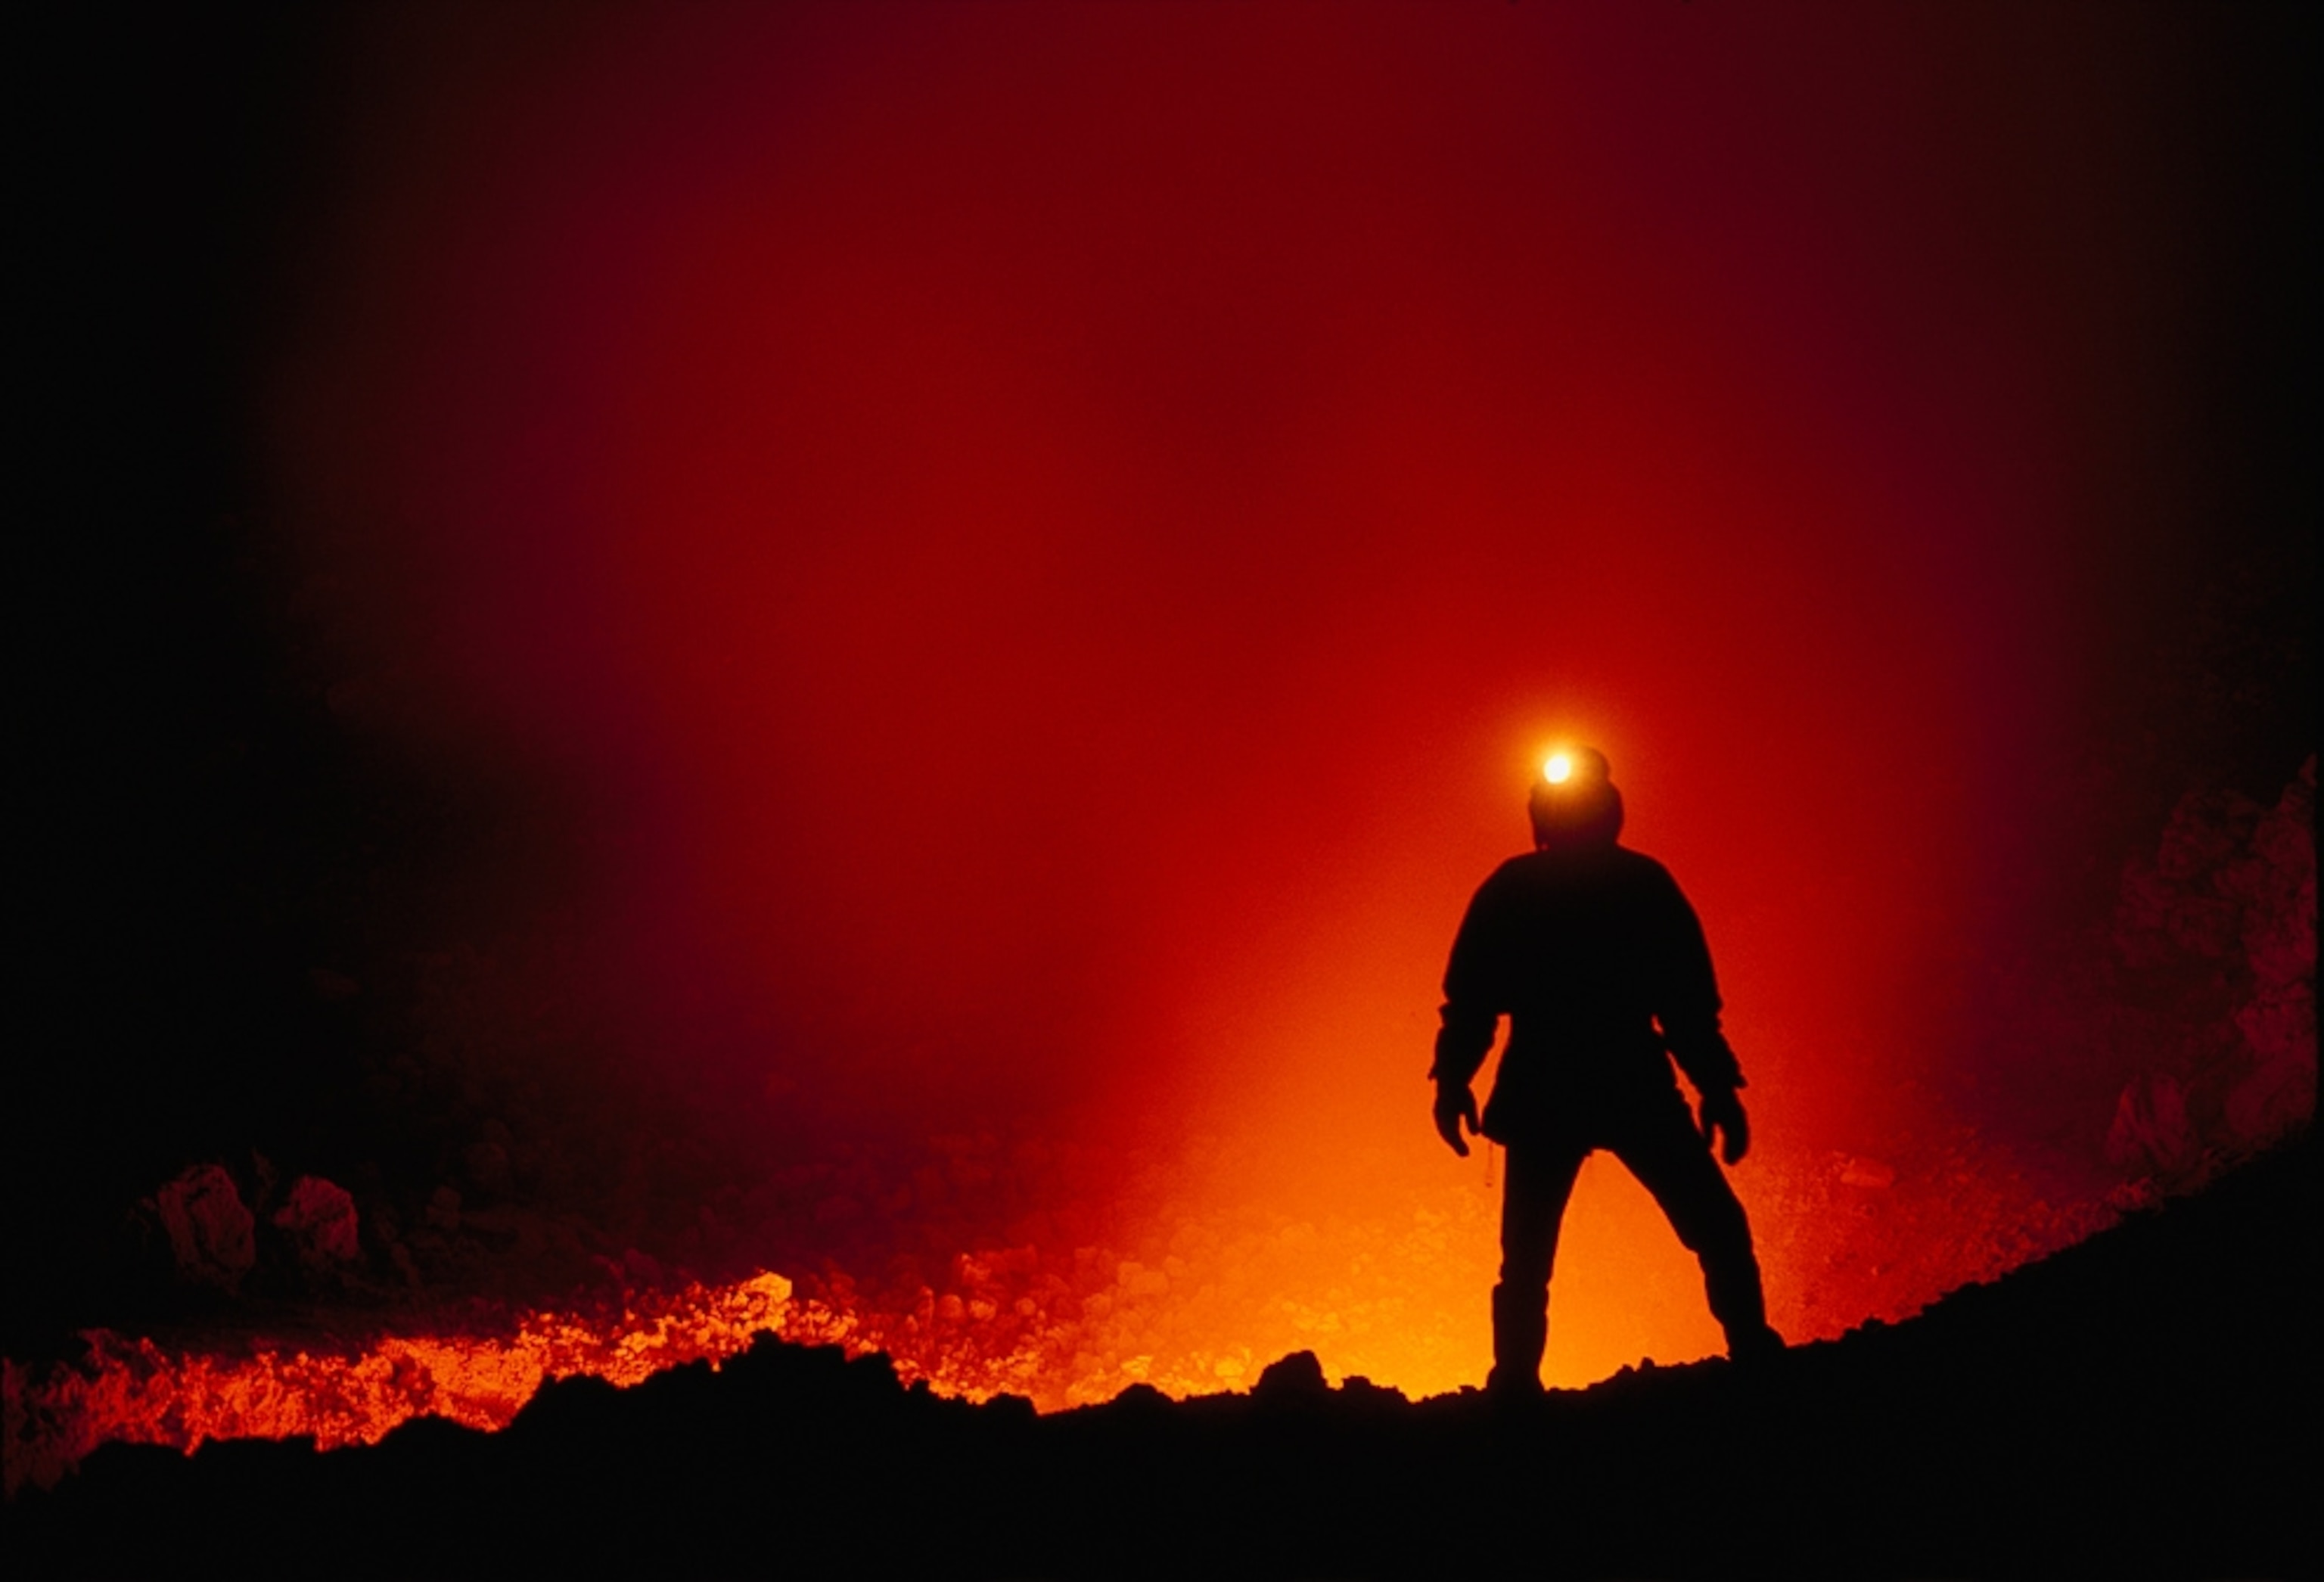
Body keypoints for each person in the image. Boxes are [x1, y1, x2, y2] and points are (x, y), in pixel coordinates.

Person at [1430, 747, 1782, 1394]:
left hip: (1544, 1087)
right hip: (1630, 1081)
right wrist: (1715, 1088)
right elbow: (1686, 1008)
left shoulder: (1515, 888)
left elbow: (1472, 1002)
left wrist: (1454, 1081)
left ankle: (1513, 1388)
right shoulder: (1642, 885)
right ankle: (1754, 1357)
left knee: (1527, 1260)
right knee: (1717, 1229)